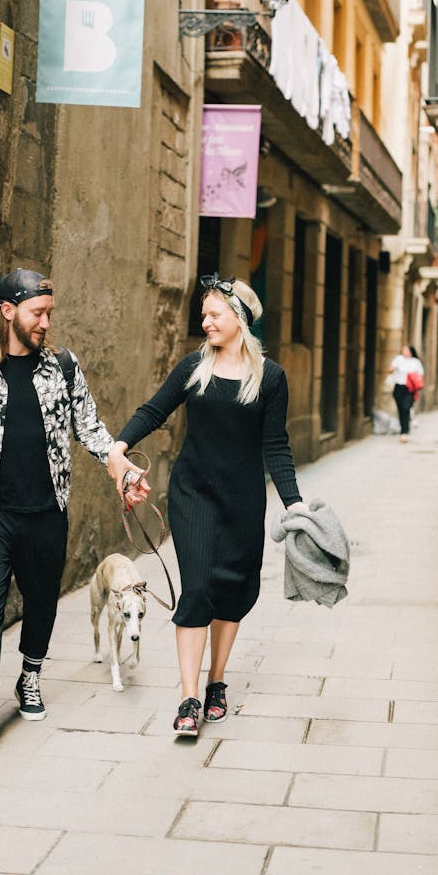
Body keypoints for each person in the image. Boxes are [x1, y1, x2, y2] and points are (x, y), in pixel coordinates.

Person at [0, 268, 146, 753]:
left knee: (41, 602)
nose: (45, 323)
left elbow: (91, 428)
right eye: (38, 313)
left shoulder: (62, 366)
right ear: (9, 311)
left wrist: (121, 470)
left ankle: (30, 676)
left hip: (44, 512)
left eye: (49, 314)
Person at [107, 272, 305, 738]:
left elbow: (276, 445)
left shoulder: (270, 378)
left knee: (232, 590)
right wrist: (120, 445)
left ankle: (218, 680)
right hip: (192, 494)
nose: (206, 321)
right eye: (204, 314)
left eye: (213, 314)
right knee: (196, 589)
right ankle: (189, 696)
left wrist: (295, 505)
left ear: (239, 318)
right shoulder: (193, 368)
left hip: (243, 499)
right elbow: (153, 411)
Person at [387, 344, 424, 442]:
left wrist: (413, 377)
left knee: (406, 407)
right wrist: (393, 369)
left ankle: (404, 432)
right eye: (403, 349)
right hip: (399, 387)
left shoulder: (416, 362)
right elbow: (390, 369)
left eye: (406, 350)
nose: (404, 351)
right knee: (401, 409)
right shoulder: (398, 359)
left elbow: (420, 374)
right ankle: (404, 428)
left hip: (410, 388)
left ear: (411, 351)